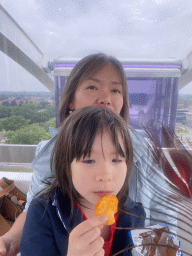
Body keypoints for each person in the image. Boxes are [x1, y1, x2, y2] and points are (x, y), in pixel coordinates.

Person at [0, 53, 177, 255]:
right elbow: (34, 212)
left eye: (116, 90)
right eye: (92, 87)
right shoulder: (46, 206)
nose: (105, 99)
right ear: (70, 101)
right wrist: (9, 240)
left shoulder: (136, 206)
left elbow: (166, 215)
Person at [20, 106, 146, 256]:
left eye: (117, 160)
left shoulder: (135, 214)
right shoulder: (43, 213)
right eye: (89, 160)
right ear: (67, 166)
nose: (105, 175)